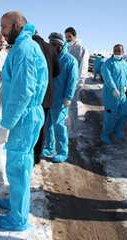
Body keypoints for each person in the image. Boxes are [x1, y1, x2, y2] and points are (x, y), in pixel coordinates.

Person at [0, 11, 48, 231]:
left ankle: (18, 218)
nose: (2, 32)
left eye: (5, 27)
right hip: (24, 115)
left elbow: (22, 92)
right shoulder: (22, 46)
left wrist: (7, 124)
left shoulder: (25, 49)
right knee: (19, 164)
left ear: (17, 25)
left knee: (18, 166)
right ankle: (17, 202)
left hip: (24, 117)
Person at [41, 32, 78, 163]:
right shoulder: (49, 58)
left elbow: (72, 81)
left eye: (53, 44)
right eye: (49, 43)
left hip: (61, 99)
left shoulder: (70, 61)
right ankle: (49, 147)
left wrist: (68, 97)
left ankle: (62, 151)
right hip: (49, 97)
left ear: (59, 45)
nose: (50, 46)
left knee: (59, 125)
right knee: (48, 124)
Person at [32, 32, 60, 165]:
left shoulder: (29, 46)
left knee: (28, 126)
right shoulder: (51, 48)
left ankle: (28, 154)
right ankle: (37, 156)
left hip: (31, 96)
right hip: (47, 95)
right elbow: (57, 71)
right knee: (41, 126)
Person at [100, 44, 127, 145]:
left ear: (123, 52)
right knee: (110, 116)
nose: (118, 52)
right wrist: (113, 88)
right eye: (116, 51)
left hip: (122, 95)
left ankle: (116, 130)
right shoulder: (108, 63)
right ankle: (105, 134)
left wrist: (126, 85)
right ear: (113, 51)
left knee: (125, 112)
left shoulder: (124, 63)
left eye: (120, 51)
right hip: (110, 95)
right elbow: (107, 77)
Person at [64, 27, 89, 139]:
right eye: (66, 37)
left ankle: (73, 130)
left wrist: (79, 82)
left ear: (75, 36)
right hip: (65, 81)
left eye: (69, 36)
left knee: (73, 106)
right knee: (65, 105)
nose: (68, 39)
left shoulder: (81, 48)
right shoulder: (66, 47)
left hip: (74, 82)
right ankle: (66, 127)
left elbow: (83, 67)